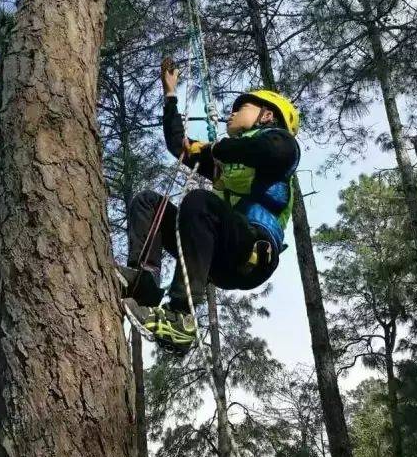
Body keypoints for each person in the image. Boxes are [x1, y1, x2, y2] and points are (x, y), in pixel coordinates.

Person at [122, 58, 300, 353]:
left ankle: (181, 318)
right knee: (148, 203)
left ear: (267, 116)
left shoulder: (281, 146)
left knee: (199, 201)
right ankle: (145, 281)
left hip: (252, 251)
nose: (231, 112)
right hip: (218, 254)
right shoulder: (226, 159)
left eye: (240, 108)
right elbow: (178, 144)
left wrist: (215, 149)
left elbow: (267, 150)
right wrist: (170, 95)